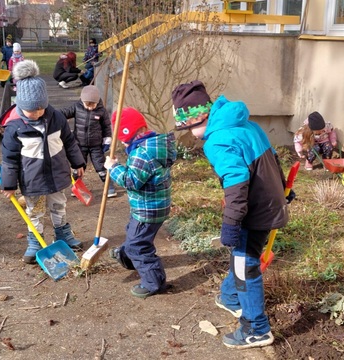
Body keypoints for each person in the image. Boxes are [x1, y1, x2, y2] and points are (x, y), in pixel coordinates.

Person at [171, 80, 292, 350]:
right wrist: (282, 191)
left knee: (245, 267)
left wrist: (231, 224)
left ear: (203, 117)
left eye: (191, 127)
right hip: (269, 204)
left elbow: (236, 185)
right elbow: (272, 158)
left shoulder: (218, 140)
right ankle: (230, 297)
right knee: (241, 259)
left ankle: (256, 329)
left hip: (254, 212)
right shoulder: (247, 125)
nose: (192, 134)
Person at [0, 59, 87, 264]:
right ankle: (35, 242)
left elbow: (69, 141)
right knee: (35, 212)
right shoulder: (15, 128)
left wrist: (77, 162)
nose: (38, 113)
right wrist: (9, 184)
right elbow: (9, 159)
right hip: (33, 180)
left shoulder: (56, 117)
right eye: (32, 110)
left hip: (57, 173)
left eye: (41, 109)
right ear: (21, 105)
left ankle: (62, 233)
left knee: (59, 205)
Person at [103, 107, 177, 298]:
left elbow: (131, 181)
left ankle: (154, 283)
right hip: (153, 206)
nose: (122, 143)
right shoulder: (154, 146)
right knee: (133, 233)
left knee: (139, 245)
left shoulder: (142, 154)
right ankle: (126, 257)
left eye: (123, 139)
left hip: (148, 209)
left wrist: (114, 167)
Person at [59, 85, 117, 197]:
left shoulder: (101, 111)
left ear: (97, 102)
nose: (90, 108)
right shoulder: (77, 107)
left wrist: (107, 139)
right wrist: (54, 114)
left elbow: (106, 126)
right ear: (82, 101)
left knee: (101, 166)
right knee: (78, 166)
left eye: (93, 105)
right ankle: (77, 186)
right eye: (87, 105)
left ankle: (109, 186)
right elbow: (64, 113)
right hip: (79, 144)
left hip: (96, 145)